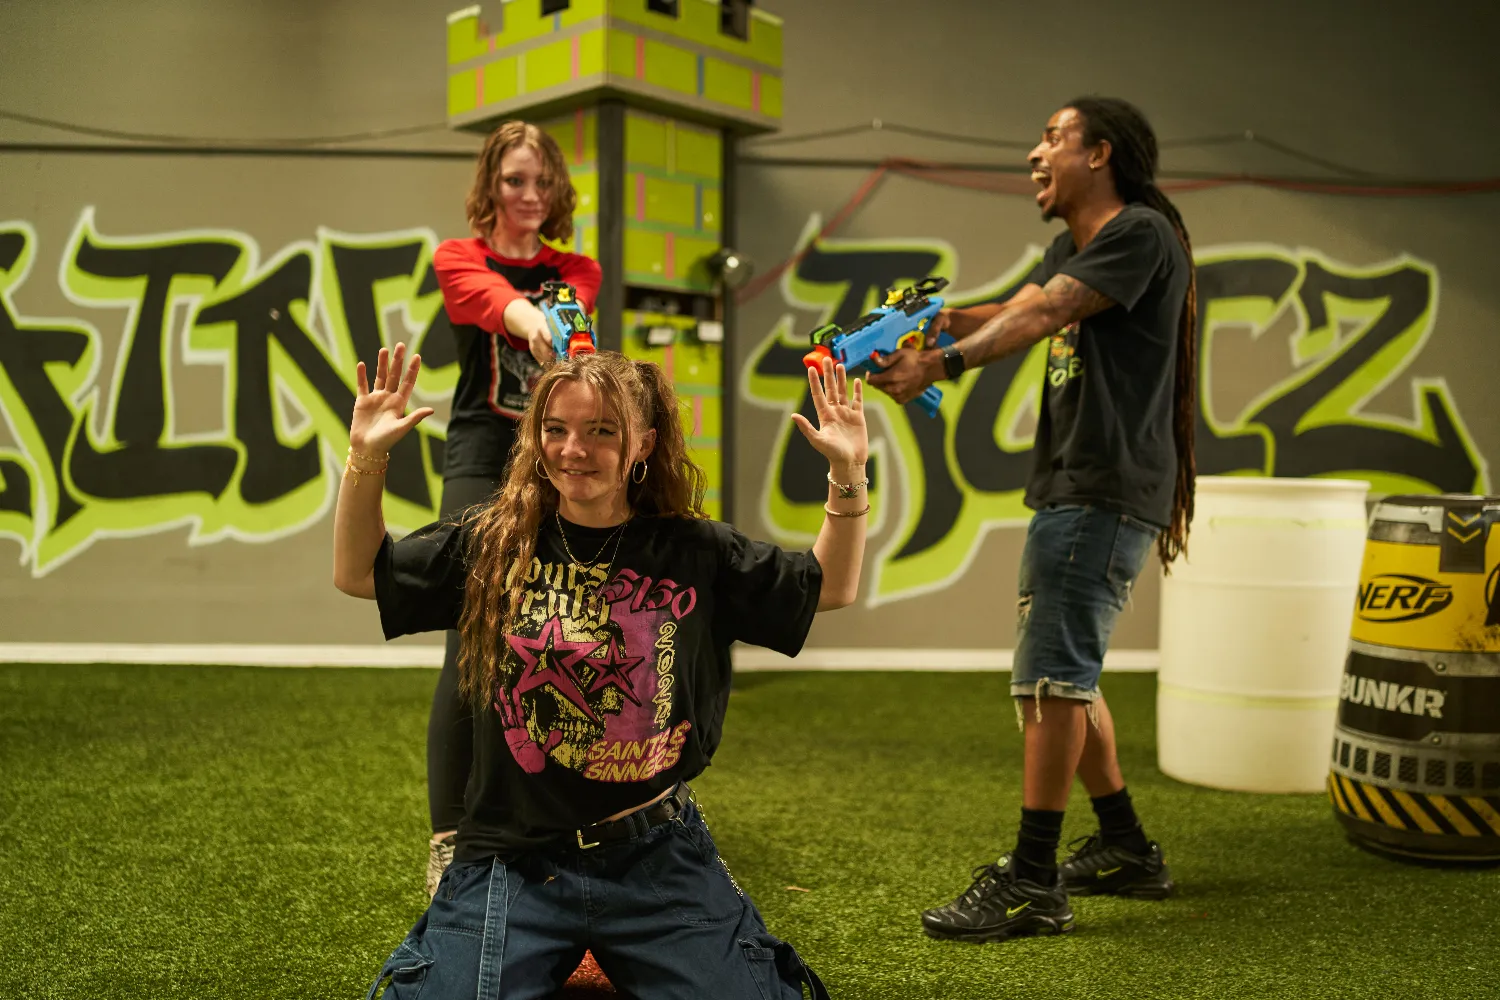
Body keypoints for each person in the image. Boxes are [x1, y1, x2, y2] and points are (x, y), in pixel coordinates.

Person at [334, 343, 867, 998]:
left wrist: (848, 471)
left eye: (600, 431)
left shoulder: (694, 549)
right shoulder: (495, 542)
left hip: (653, 854)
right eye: (555, 430)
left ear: (644, 442)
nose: (571, 450)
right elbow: (359, 573)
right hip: (513, 856)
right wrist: (367, 458)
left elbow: (829, 587)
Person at [866, 96, 1198, 942]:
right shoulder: (1072, 247)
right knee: (1067, 670)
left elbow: (1047, 314)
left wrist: (940, 361)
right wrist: (926, 321)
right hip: (1074, 485)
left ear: (1103, 154)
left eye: (1053, 138)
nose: (1034, 154)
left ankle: (1033, 882)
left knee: (1050, 676)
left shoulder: (1139, 235)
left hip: (1101, 487)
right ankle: (1125, 847)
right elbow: (1021, 304)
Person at [426, 120, 602, 896]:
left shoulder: (578, 268)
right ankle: (448, 836)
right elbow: (496, 305)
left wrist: (557, 324)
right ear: (490, 187)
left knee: (559, 632)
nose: (529, 196)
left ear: (557, 190)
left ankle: (552, 823)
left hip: (556, 453)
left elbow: (574, 318)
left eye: (541, 182)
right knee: (470, 639)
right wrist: (535, 322)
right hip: (479, 451)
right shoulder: (457, 258)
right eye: (514, 181)